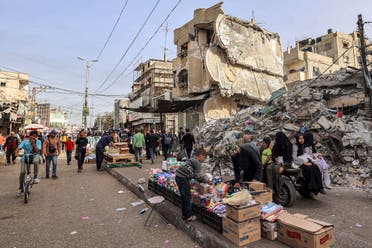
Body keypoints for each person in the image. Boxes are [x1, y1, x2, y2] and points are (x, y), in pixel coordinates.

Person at [175, 148, 207, 222]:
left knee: (184, 197)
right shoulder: (197, 162)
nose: (204, 159)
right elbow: (197, 176)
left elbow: (191, 173)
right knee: (188, 198)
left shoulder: (192, 158)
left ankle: (184, 214)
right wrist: (205, 180)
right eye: (204, 157)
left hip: (178, 176)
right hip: (183, 179)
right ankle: (188, 216)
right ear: (200, 156)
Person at [15, 131, 42, 195]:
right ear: (29, 136)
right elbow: (18, 147)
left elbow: (37, 150)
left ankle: (35, 177)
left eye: (35, 136)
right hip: (26, 157)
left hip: (35, 156)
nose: (34, 137)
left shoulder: (38, 142)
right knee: (22, 172)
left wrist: (33, 144)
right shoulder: (25, 141)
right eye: (33, 136)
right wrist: (16, 152)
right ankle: (20, 188)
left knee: (36, 161)